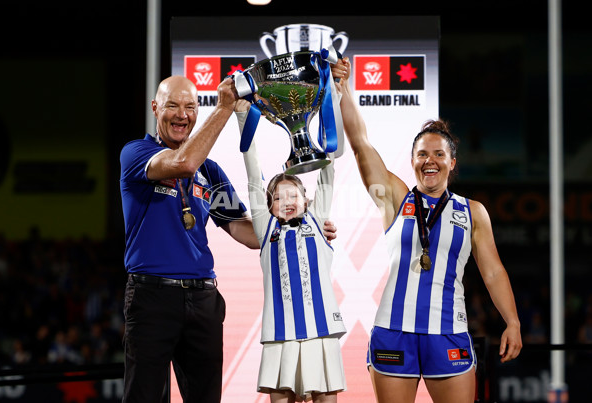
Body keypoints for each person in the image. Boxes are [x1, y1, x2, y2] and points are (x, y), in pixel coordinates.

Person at [119, 75, 337, 403]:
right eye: (172, 106)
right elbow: (183, 162)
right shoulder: (137, 154)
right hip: (152, 298)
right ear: (155, 109)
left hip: (203, 300)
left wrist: (300, 225)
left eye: (190, 106)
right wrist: (225, 108)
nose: (182, 114)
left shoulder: (210, 172)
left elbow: (245, 231)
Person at [331, 59, 522, 403]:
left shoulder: (472, 212)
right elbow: (360, 143)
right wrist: (343, 88)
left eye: (438, 154)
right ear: (413, 160)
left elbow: (492, 271)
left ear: (452, 162)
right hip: (394, 332)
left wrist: (513, 322)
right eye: (422, 154)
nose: (429, 160)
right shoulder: (395, 198)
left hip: (447, 333)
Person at [235, 100, 347, 403]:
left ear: (307, 199)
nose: (287, 200)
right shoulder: (266, 228)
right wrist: (242, 115)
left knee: (326, 397)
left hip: (321, 330)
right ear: (267, 206)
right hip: (279, 334)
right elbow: (252, 166)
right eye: (278, 197)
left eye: (293, 194)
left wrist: (331, 101)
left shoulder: (317, 217)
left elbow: (329, 165)